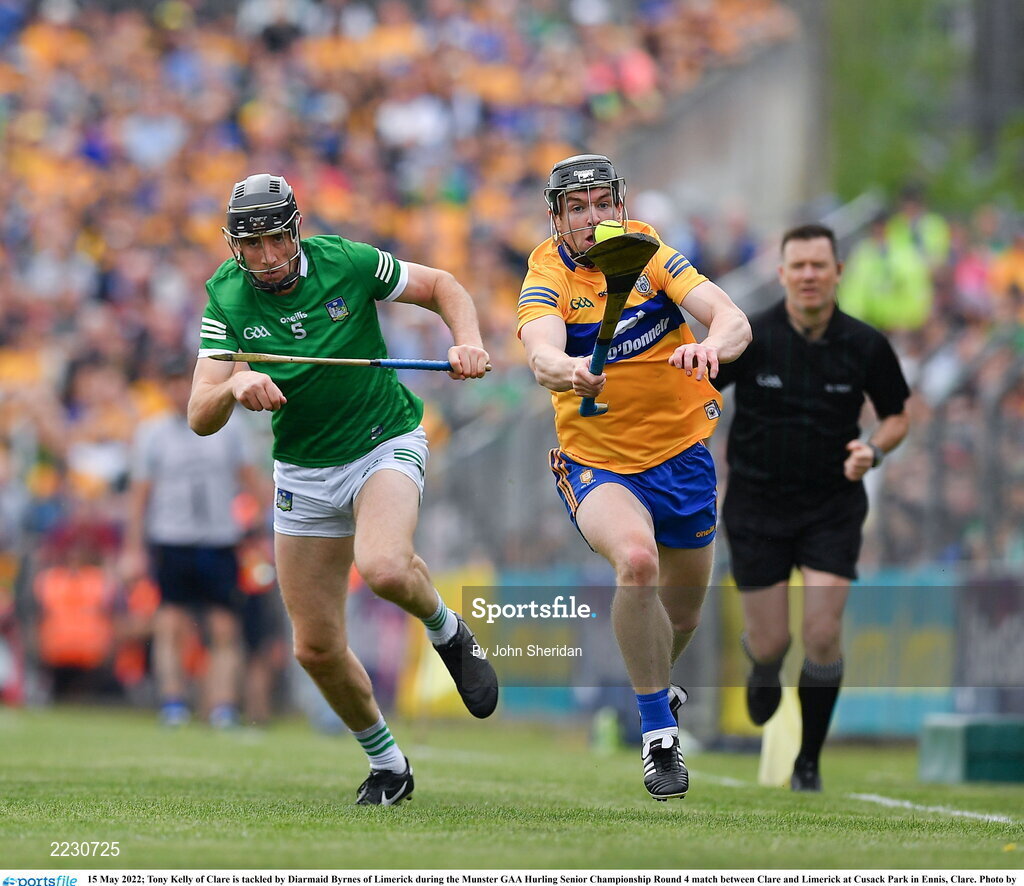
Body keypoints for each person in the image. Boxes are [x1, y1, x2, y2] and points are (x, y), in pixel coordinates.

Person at [188, 173, 497, 806]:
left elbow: (442, 285)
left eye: (276, 240)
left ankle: (446, 631)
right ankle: (388, 765)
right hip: (303, 471)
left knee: (383, 567)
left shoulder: (346, 262)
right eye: (252, 245)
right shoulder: (226, 297)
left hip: (383, 441)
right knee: (315, 647)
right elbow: (199, 413)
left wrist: (466, 341)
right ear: (234, 245)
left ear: (295, 231)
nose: (267, 257)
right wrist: (234, 386)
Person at [516, 153, 751, 801]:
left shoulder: (650, 253)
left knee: (683, 617)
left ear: (618, 205)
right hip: (596, 461)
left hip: (683, 455)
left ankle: (651, 688)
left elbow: (731, 317)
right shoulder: (546, 274)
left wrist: (710, 346)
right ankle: (659, 736)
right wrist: (568, 370)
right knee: (637, 561)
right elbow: (539, 351)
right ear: (557, 218)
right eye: (577, 208)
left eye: (601, 204)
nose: (591, 218)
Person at [713, 223, 911, 791]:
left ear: (838, 272)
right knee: (772, 640)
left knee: (823, 634)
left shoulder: (865, 344)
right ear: (781, 274)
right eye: (797, 266)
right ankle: (763, 663)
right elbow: (698, 394)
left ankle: (808, 763)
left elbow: (897, 416)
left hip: (832, 506)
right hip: (756, 506)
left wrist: (873, 450)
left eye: (818, 265)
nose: (808, 275)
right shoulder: (752, 337)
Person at [122, 354, 266, 729]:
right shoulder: (152, 432)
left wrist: (265, 530)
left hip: (220, 538)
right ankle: (173, 703)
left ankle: (222, 707)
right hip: (171, 538)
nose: (176, 389)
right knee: (171, 624)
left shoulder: (231, 427)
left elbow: (252, 482)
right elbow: (139, 496)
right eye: (170, 382)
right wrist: (133, 548)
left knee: (224, 627)